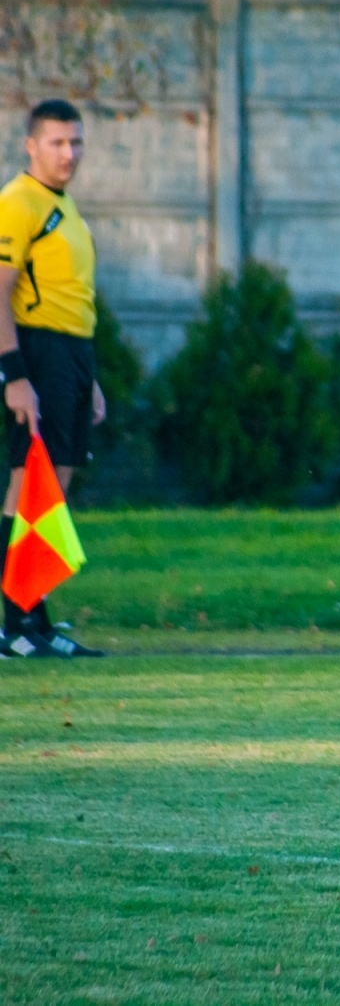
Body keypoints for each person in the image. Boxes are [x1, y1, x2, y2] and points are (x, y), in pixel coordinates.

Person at [0, 99, 105, 659]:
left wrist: (91, 379)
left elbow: (74, 301)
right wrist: (15, 376)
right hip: (35, 354)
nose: (70, 153)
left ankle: (34, 621)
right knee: (27, 484)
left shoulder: (65, 207)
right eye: (59, 142)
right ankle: (13, 625)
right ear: (31, 145)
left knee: (54, 489)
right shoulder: (18, 202)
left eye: (77, 142)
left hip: (71, 356)